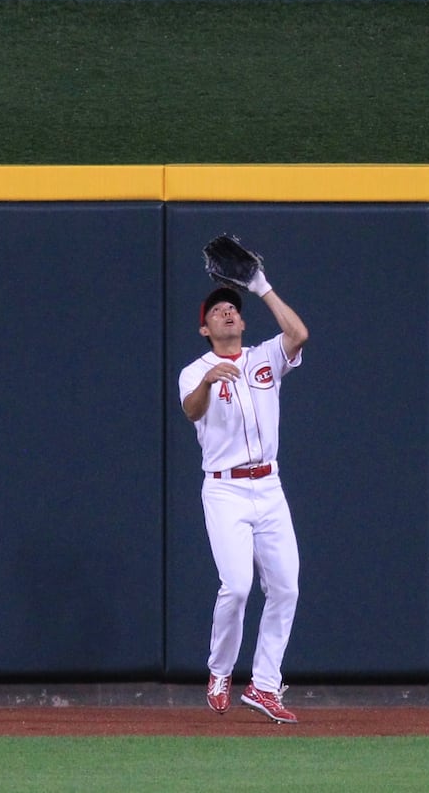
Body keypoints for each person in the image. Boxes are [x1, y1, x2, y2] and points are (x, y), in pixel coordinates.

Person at [177, 263, 309, 724]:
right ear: (204, 327)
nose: (228, 313)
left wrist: (262, 287)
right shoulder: (194, 371)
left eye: (233, 307)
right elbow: (192, 411)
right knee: (236, 586)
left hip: (269, 486)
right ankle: (220, 672)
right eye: (218, 311)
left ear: (244, 321)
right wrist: (209, 383)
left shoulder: (263, 357)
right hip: (225, 490)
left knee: (286, 586)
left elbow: (299, 334)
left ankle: (265, 686)